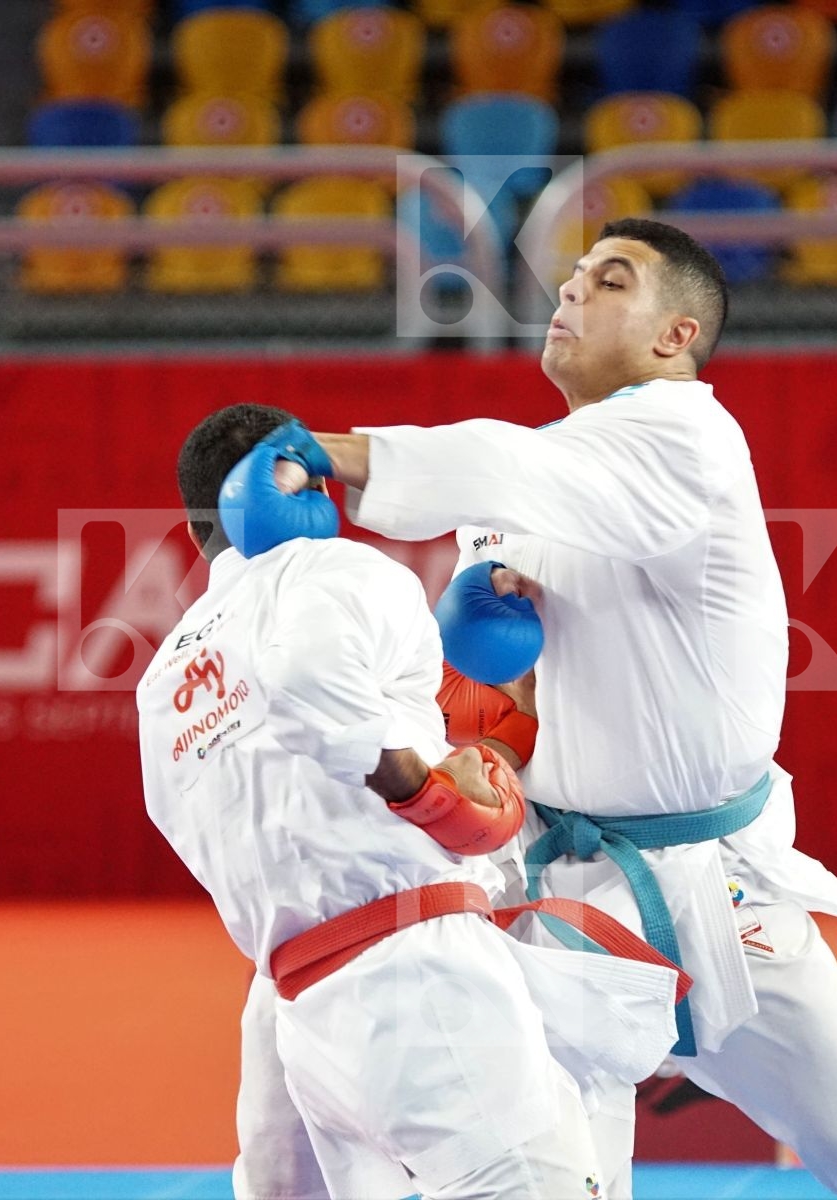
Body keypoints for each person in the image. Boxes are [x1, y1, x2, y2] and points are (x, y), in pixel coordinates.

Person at [232, 220, 837, 1200]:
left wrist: (329, 455)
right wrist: (483, 638)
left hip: (715, 886)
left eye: (609, 281)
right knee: (555, 1162)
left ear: (676, 337)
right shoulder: (546, 473)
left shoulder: (687, 435)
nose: (570, 294)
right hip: (565, 884)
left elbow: (510, 467)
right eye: (570, 279)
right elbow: (508, 682)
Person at [137, 403, 685, 1200]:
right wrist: (423, 792)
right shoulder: (339, 573)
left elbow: (224, 814)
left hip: (297, 1008)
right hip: (418, 979)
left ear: (193, 533)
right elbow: (309, 690)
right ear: (311, 484)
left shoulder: (162, 688)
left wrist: (496, 745)